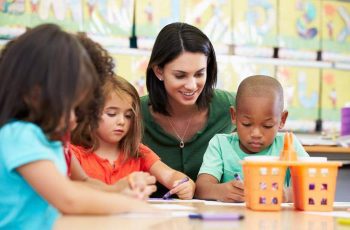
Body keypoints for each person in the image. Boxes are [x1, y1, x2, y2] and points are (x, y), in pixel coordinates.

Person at [0, 24, 152, 229]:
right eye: (70, 108)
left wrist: (121, 192)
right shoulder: (19, 135)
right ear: (35, 95)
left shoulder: (49, 141)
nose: (74, 119)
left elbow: (79, 185)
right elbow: (68, 197)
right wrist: (129, 204)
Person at [141, 22, 235, 197]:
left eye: (199, 74)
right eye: (180, 75)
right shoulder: (133, 113)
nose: (192, 85)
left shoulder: (231, 106)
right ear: (159, 71)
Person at [71, 76, 195, 199]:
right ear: (89, 114)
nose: (121, 121)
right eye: (112, 114)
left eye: (128, 116)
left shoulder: (138, 152)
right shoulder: (73, 154)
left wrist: (186, 184)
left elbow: (170, 175)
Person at [195, 75, 309, 202]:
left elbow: (311, 185)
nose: (256, 133)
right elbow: (201, 188)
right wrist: (221, 191)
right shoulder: (220, 144)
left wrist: (286, 195)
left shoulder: (289, 144)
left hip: (276, 219)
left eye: (267, 126)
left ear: (282, 120)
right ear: (234, 116)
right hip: (231, 219)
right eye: (246, 124)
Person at [70, 32, 156, 198]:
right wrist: (124, 195)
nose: (77, 117)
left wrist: (121, 189)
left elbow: (84, 182)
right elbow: (68, 198)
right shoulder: (26, 137)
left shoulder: (61, 145)